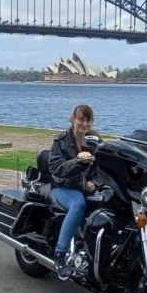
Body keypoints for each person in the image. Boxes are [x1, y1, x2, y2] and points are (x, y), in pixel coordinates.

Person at [48, 104, 98, 280]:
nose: (84, 123)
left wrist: (95, 182)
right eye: (81, 119)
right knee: (78, 204)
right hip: (62, 187)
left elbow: (104, 164)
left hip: (84, 187)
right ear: (73, 119)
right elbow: (55, 169)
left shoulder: (95, 140)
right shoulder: (61, 140)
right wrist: (78, 161)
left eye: (88, 120)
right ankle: (60, 254)